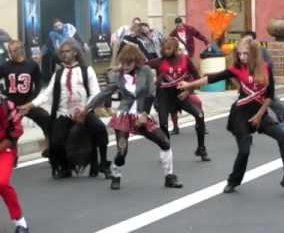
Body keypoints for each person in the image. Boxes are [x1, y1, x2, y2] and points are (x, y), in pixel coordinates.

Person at [178, 37, 284, 196]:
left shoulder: (265, 68)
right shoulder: (237, 67)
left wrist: (259, 116)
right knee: (244, 151)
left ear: (254, 53)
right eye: (240, 54)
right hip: (240, 114)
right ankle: (233, 181)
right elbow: (211, 77)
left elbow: (269, 96)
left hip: (259, 113)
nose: (242, 57)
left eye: (246, 54)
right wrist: (189, 85)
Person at [84, 45, 183, 190]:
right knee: (122, 152)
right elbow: (104, 93)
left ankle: (169, 177)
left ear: (136, 61)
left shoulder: (146, 72)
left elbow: (151, 94)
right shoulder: (118, 76)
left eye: (128, 63)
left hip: (142, 115)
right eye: (122, 63)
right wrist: (87, 108)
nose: (124, 66)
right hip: (123, 116)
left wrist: (144, 114)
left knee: (164, 142)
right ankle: (116, 174)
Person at [20, 40, 111, 179]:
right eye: (62, 52)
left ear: (75, 53)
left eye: (67, 51)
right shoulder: (58, 73)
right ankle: (64, 167)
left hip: (84, 112)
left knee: (99, 128)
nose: (64, 54)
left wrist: (85, 110)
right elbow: (46, 94)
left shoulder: (87, 70)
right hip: (64, 113)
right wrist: (29, 105)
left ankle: (103, 164)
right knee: (56, 142)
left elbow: (95, 93)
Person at [148, 37, 210, 161]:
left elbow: (197, 78)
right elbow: (140, 65)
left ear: (176, 48)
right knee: (164, 124)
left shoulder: (185, 59)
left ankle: (201, 148)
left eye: (169, 48)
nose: (166, 51)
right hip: (163, 96)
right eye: (164, 49)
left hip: (180, 95)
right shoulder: (159, 61)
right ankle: (166, 151)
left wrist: (188, 91)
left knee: (200, 115)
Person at [0, 41, 50, 157]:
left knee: (46, 118)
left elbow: (38, 84)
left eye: (15, 50)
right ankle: (12, 156)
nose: (12, 53)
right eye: (10, 51)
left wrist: (31, 101)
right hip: (12, 105)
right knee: (11, 131)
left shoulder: (31, 65)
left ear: (21, 49)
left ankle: (50, 148)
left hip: (27, 103)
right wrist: (3, 96)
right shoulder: (5, 66)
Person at [0, 94, 29, 233]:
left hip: (4, 148)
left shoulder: (7, 104)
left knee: (1, 182)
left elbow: (16, 130)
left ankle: (20, 221)